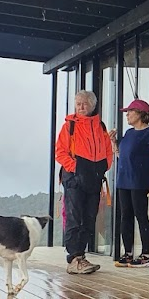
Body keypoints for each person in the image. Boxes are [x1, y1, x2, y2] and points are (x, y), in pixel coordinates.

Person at [54, 90, 114, 275]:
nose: (81, 107)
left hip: (94, 178)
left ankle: (81, 256)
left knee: (89, 218)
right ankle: (74, 258)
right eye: (78, 103)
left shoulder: (100, 126)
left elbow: (108, 150)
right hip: (74, 178)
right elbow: (60, 152)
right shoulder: (69, 126)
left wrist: (104, 166)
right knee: (74, 218)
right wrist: (77, 168)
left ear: (93, 105)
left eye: (85, 103)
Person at [113, 98, 149, 267]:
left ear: (140, 113)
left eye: (130, 111)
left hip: (140, 181)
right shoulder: (128, 133)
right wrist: (113, 142)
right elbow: (122, 155)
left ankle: (146, 254)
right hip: (124, 180)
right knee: (125, 215)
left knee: (141, 215)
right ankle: (128, 252)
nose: (127, 115)